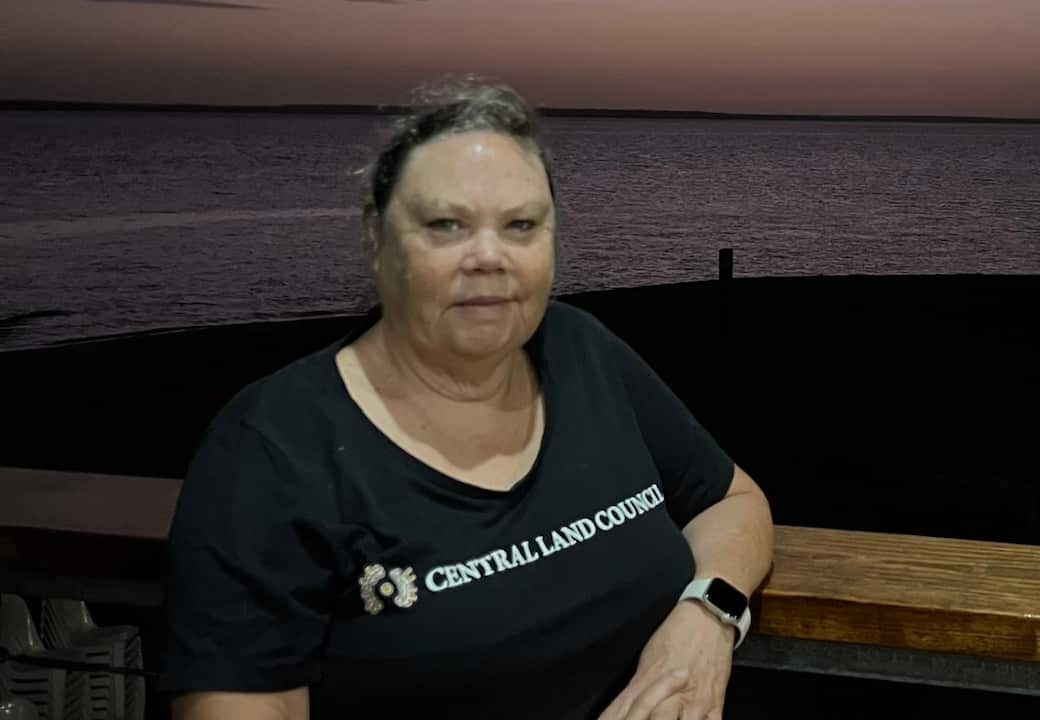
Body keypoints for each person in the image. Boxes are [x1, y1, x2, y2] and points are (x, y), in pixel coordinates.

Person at [159, 76, 774, 720]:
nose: (489, 256)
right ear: (377, 238)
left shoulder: (580, 351)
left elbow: (732, 501)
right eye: (446, 225)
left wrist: (707, 618)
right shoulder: (273, 448)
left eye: (521, 225)